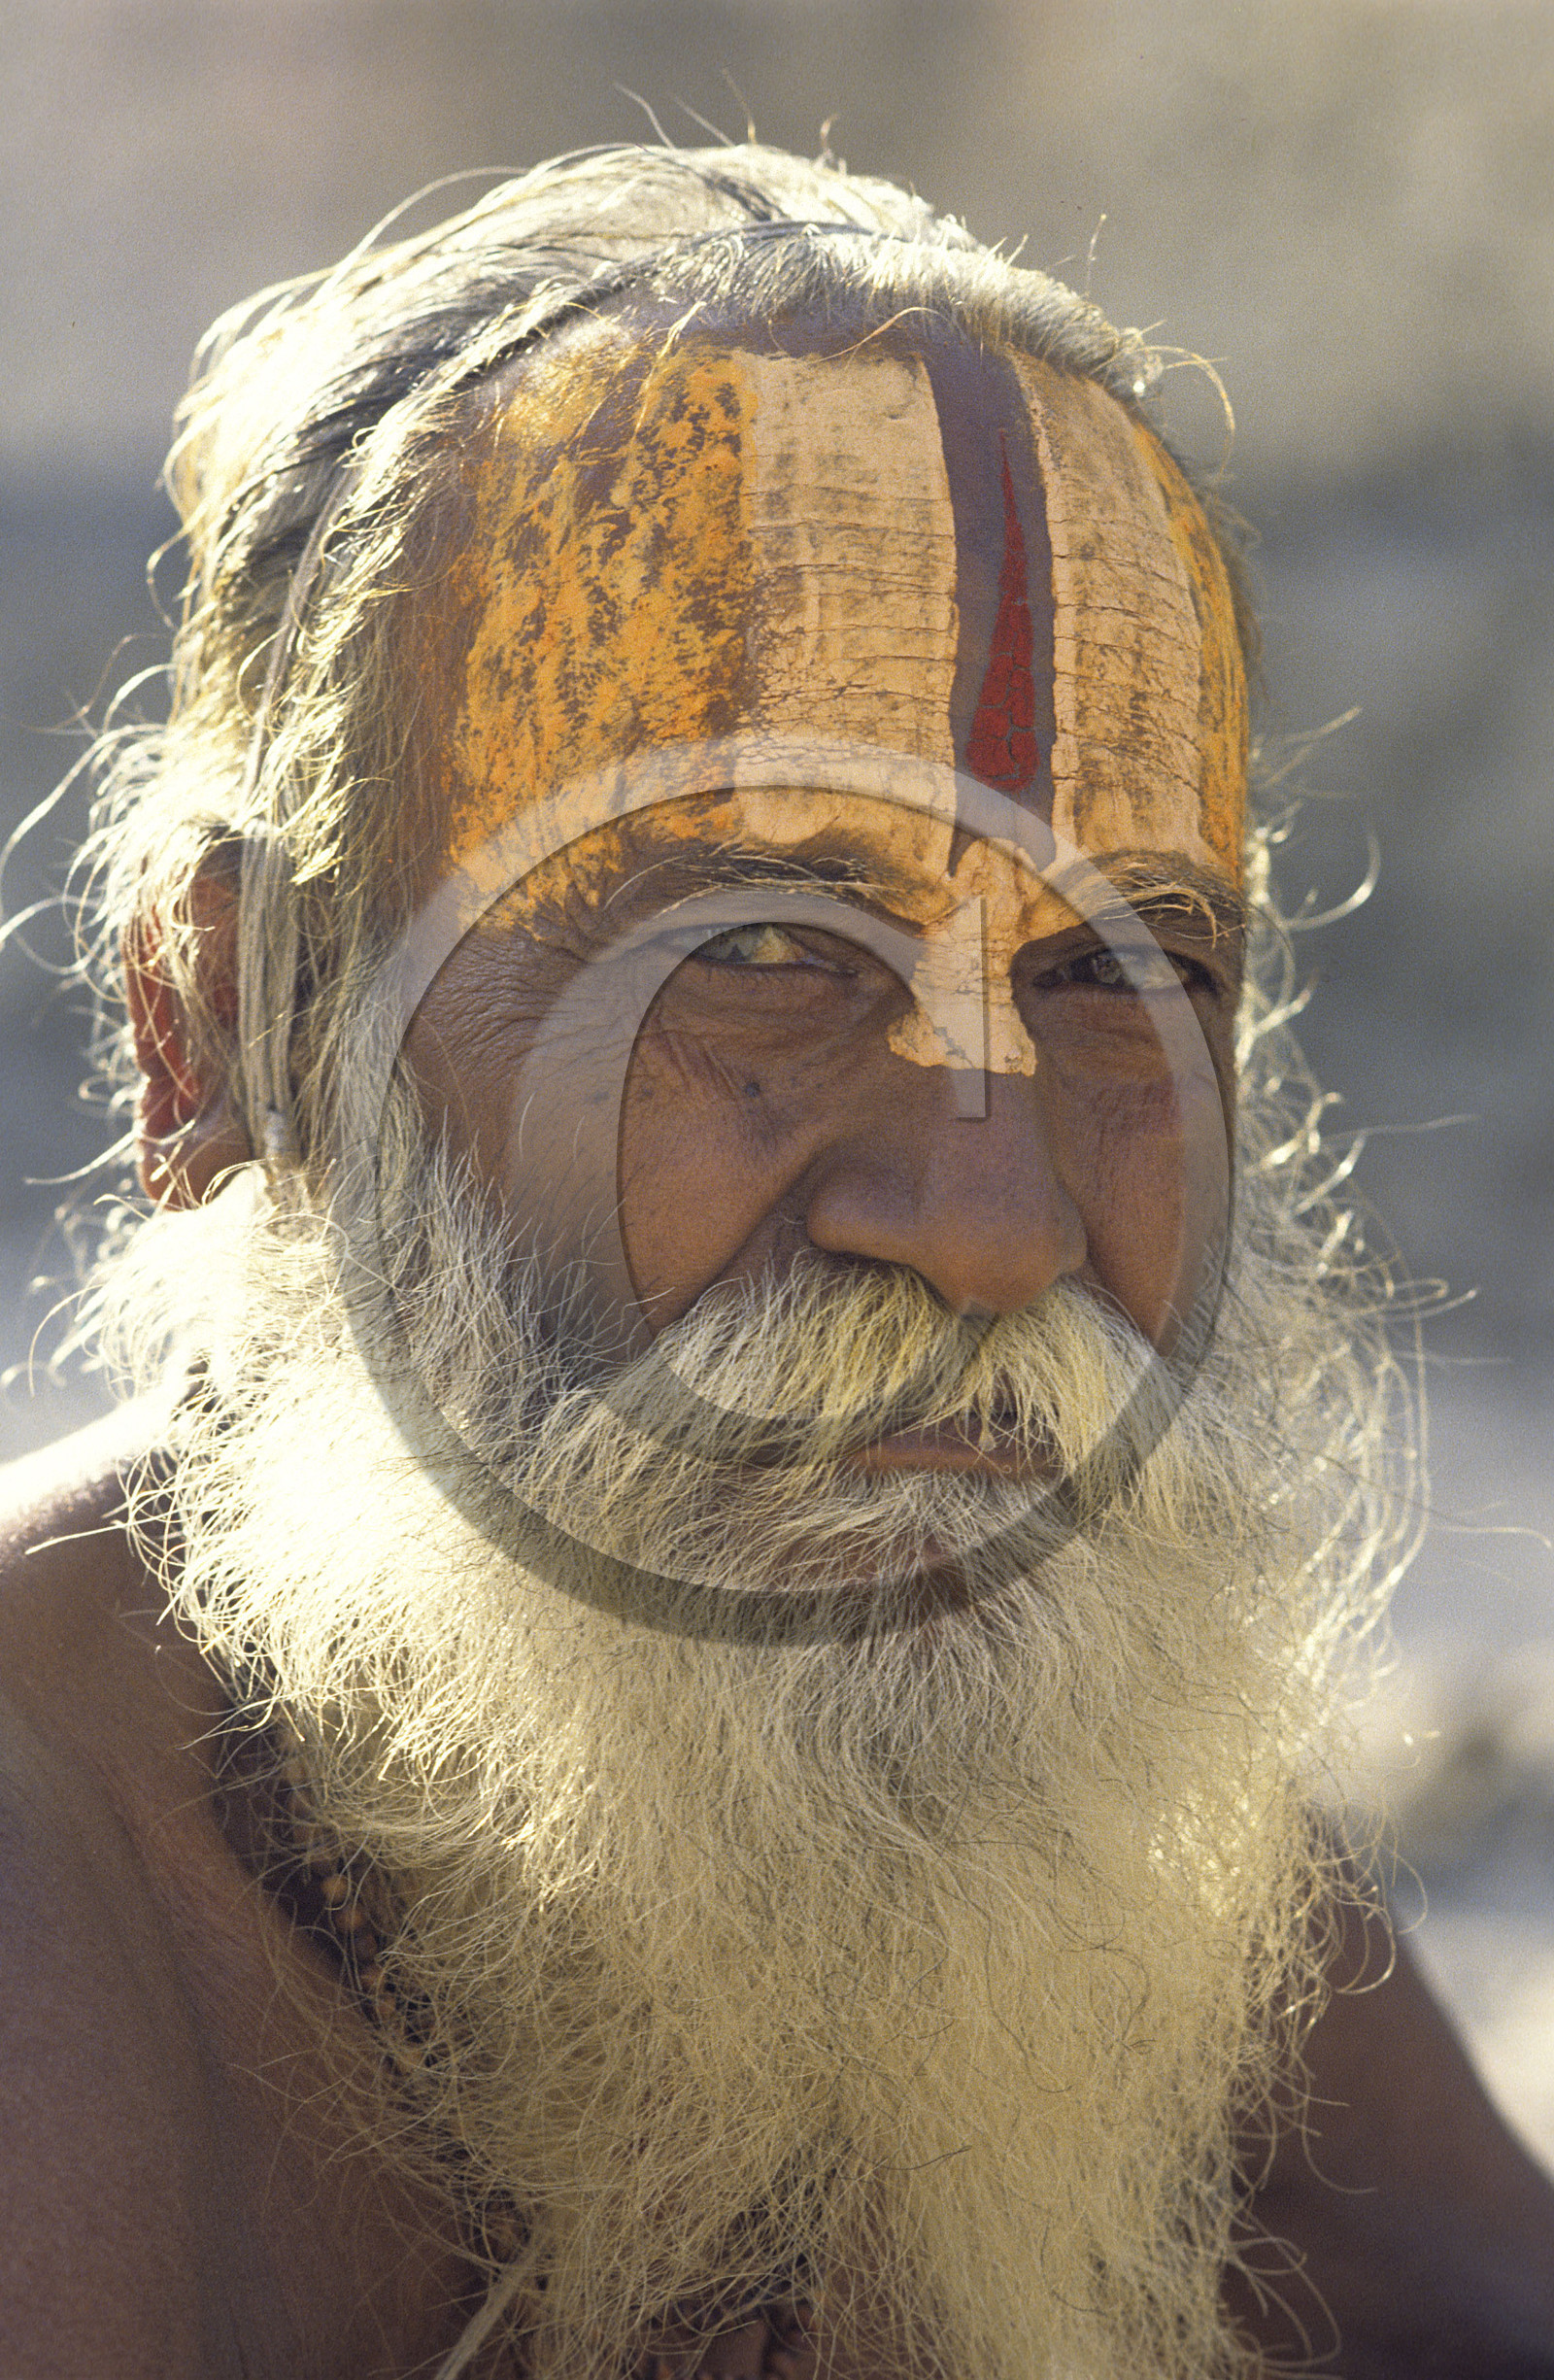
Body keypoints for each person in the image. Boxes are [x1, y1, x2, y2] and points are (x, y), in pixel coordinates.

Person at [2, 142, 1552, 2380]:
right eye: (747, 948)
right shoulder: (59, 1934)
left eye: (1124, 970)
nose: (997, 1222)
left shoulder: (1020, 1781)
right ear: (220, 1024)